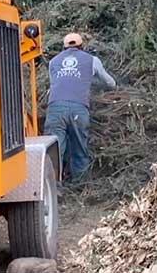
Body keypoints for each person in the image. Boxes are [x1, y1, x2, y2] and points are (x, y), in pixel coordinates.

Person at [44, 32, 116, 183]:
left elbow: (54, 84)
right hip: (78, 108)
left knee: (54, 151)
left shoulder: (53, 62)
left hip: (55, 108)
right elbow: (110, 83)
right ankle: (81, 185)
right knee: (79, 149)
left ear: (63, 47)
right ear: (82, 46)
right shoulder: (92, 60)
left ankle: (53, 187)